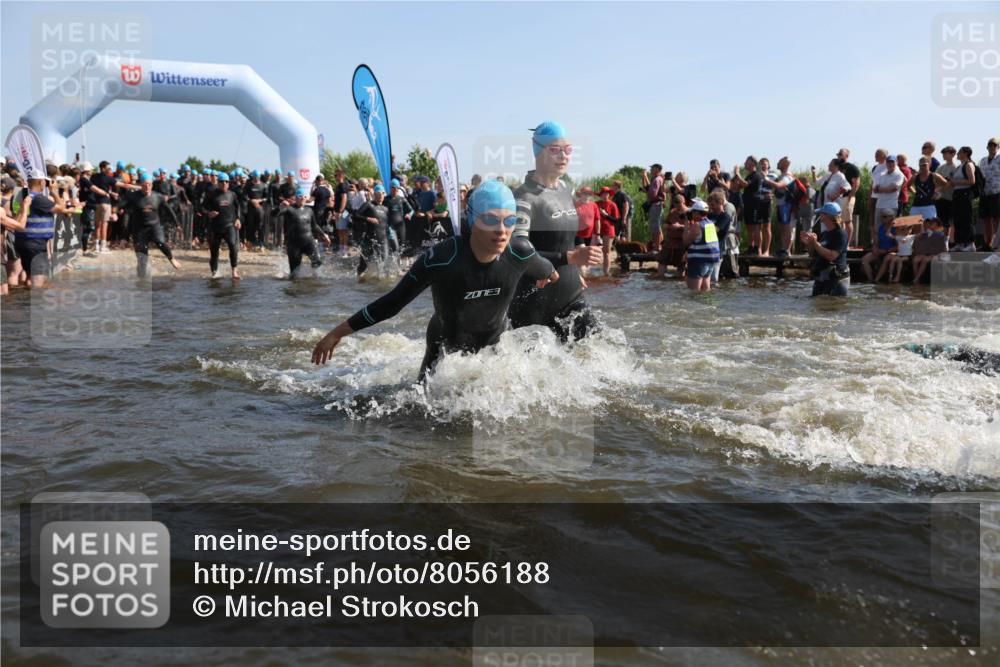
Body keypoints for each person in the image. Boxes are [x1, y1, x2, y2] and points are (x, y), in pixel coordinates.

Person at [310, 181, 559, 380]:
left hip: (495, 346)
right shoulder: (441, 259)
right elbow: (393, 302)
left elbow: (547, 269)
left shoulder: (520, 251)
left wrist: (548, 276)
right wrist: (337, 332)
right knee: (419, 415)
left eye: (510, 221)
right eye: (492, 220)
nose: (502, 230)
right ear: (472, 220)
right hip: (444, 348)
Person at [509, 121, 602, 341]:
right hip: (532, 304)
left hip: (570, 297)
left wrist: (576, 263)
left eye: (568, 150)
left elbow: (570, 234)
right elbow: (515, 251)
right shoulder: (524, 197)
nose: (563, 156)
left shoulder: (564, 190)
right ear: (538, 152)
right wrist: (568, 258)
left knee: (605, 355)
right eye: (555, 150)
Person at [14, 176, 72, 288]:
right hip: (35, 242)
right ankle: (37, 303)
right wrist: (54, 192)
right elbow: (60, 208)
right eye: (45, 182)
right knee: (38, 277)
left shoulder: (20, 195)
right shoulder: (38, 198)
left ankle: (25, 303)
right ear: (41, 182)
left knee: (30, 277)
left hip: (23, 240)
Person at [123, 173, 183, 277]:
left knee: (160, 242)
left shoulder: (158, 196)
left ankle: (171, 259)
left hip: (154, 226)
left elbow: (169, 211)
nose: (147, 187)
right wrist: (115, 212)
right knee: (142, 259)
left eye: (149, 184)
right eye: (145, 184)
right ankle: (141, 281)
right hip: (139, 229)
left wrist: (177, 224)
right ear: (141, 185)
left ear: (152, 185)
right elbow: (122, 205)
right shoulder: (133, 196)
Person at [280, 187, 331, 277]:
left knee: (317, 261)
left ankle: (312, 277)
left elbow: (314, 226)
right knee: (294, 273)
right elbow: (274, 214)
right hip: (294, 244)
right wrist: (280, 207)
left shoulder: (309, 210)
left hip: (309, 241)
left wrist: (324, 235)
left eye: (304, 196)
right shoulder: (289, 209)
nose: (302, 198)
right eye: (300, 196)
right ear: (296, 198)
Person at [801, 202, 849, 296]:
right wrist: (809, 244)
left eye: (822, 213)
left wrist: (815, 243)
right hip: (822, 277)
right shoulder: (825, 233)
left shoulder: (840, 234)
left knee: (833, 306)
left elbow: (832, 256)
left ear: (827, 216)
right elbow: (813, 254)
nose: (820, 215)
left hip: (836, 279)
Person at [204, 172, 241, 280]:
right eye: (221, 181)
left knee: (233, 246)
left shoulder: (232, 195)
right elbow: (202, 207)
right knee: (214, 252)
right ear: (218, 183)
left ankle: (234, 271)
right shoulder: (211, 194)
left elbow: (238, 207)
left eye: (226, 181)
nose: (224, 183)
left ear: (229, 183)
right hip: (215, 227)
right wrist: (208, 213)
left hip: (229, 225)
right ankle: (214, 273)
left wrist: (238, 219)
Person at [731, 155, 770, 256]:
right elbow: (739, 186)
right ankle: (750, 247)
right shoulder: (749, 175)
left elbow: (745, 184)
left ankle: (757, 249)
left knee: (756, 227)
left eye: (746, 161)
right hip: (747, 204)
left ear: (752, 163)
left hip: (754, 204)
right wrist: (736, 178)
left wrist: (737, 173)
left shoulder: (755, 175)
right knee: (749, 227)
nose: (744, 163)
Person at [682, 199, 720, 292]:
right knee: (705, 291)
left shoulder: (697, 225)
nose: (691, 214)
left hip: (698, 262)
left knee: (693, 293)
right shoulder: (711, 224)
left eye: (692, 212)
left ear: (696, 212)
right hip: (710, 262)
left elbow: (686, 242)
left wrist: (686, 227)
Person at [354, 183, 390, 278]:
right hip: (370, 239)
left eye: (382, 193)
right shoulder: (368, 205)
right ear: (374, 194)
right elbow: (355, 215)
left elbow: (387, 224)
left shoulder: (386, 208)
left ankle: (381, 284)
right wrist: (368, 219)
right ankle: (358, 278)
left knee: (385, 262)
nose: (380, 195)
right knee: (363, 265)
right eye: (378, 193)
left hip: (383, 239)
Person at [950, 146, 977, 252]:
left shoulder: (968, 164)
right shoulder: (959, 166)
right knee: (958, 220)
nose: (957, 154)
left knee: (966, 219)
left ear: (965, 153)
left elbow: (972, 181)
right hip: (957, 195)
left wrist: (955, 182)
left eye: (959, 152)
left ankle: (970, 243)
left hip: (965, 194)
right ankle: (960, 243)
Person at [861, 210, 898, 282]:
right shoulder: (880, 228)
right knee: (865, 259)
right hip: (880, 250)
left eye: (884, 217)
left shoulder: (896, 229)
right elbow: (876, 242)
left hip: (891, 251)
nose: (882, 218)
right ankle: (870, 279)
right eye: (881, 216)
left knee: (886, 259)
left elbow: (898, 246)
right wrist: (875, 248)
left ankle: (876, 280)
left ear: (891, 218)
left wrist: (886, 251)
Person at [656, 194, 687, 278]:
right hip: (670, 241)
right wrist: (669, 226)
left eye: (679, 203)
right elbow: (666, 223)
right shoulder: (673, 211)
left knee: (681, 263)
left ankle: (678, 279)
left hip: (681, 241)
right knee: (662, 260)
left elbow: (693, 226)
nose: (677, 205)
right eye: (675, 203)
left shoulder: (689, 212)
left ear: (683, 202)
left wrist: (680, 226)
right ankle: (660, 277)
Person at [908, 157, 948, 223]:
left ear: (929, 165)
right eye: (920, 165)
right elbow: (908, 186)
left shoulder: (934, 175)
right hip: (916, 205)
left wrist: (937, 191)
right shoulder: (915, 176)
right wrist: (914, 192)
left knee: (930, 226)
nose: (922, 167)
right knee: (914, 225)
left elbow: (946, 184)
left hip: (929, 205)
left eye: (924, 165)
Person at [706, 190, 734, 284]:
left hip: (717, 251)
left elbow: (714, 230)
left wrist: (700, 226)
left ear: (720, 203)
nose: (711, 207)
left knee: (713, 279)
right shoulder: (709, 215)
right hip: (706, 250)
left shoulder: (725, 216)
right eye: (710, 205)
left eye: (713, 205)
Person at [911, 216, 949, 283]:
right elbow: (919, 238)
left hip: (940, 254)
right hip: (929, 254)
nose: (930, 224)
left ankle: (917, 278)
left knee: (925, 260)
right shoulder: (928, 233)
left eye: (932, 223)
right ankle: (916, 277)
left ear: (937, 225)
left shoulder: (940, 233)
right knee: (915, 260)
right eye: (930, 223)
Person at [836, 148, 861, 244]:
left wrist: (850, 198)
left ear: (846, 155)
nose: (838, 156)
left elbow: (856, 184)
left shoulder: (852, 168)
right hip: (837, 197)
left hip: (847, 196)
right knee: (839, 221)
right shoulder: (837, 167)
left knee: (847, 221)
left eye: (840, 154)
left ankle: (847, 244)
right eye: (837, 154)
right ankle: (840, 243)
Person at [978, 137, 1000, 250]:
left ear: (998, 147)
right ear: (987, 147)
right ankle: (988, 242)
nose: (992, 147)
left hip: (997, 192)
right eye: (990, 145)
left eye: (994, 145)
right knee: (986, 218)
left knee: (997, 218)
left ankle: (997, 243)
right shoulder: (982, 160)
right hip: (985, 193)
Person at [871, 155, 905, 223]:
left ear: (896, 163)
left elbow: (892, 189)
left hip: (891, 206)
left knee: (888, 229)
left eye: (892, 162)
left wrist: (880, 189)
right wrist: (885, 189)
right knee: (878, 229)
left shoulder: (899, 175)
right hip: (879, 205)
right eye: (888, 162)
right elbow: (875, 190)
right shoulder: (882, 175)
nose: (890, 164)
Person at [385, 178, 414, 256]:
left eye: (397, 187)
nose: (395, 189)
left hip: (401, 225)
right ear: (390, 188)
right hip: (390, 226)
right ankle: (394, 263)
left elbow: (412, 210)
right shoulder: (386, 199)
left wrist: (409, 215)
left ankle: (400, 263)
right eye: (393, 187)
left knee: (402, 245)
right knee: (394, 246)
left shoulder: (402, 199)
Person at [641, 163, 666, 251]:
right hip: (657, 205)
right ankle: (657, 246)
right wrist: (644, 176)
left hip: (656, 205)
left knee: (656, 227)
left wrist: (648, 194)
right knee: (656, 226)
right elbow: (648, 188)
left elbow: (653, 194)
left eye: (652, 168)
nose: (651, 170)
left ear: (657, 169)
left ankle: (657, 247)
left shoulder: (657, 180)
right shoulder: (656, 179)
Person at [595, 186, 620, 276]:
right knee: (591, 250)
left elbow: (616, 220)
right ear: (600, 195)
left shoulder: (612, 205)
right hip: (596, 230)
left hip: (608, 230)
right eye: (603, 193)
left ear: (609, 195)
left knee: (606, 252)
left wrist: (605, 215)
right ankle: (587, 272)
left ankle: (606, 273)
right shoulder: (596, 204)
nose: (605, 195)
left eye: (607, 193)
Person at [935, 146, 959, 238]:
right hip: (942, 198)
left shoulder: (956, 167)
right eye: (943, 153)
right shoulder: (940, 167)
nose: (944, 155)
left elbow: (951, 182)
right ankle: (944, 241)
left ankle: (952, 241)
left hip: (952, 198)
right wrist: (943, 184)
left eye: (946, 153)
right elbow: (936, 180)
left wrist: (942, 186)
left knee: (953, 221)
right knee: (942, 221)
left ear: (953, 154)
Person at [243, 170, 268, 251]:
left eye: (257, 177)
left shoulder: (263, 185)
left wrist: (259, 201)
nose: (256, 179)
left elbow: (267, 197)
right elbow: (245, 196)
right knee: (251, 226)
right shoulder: (248, 185)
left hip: (260, 209)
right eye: (254, 177)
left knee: (260, 226)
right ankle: (251, 242)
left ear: (259, 177)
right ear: (252, 177)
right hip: (250, 209)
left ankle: (261, 243)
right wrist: (251, 200)